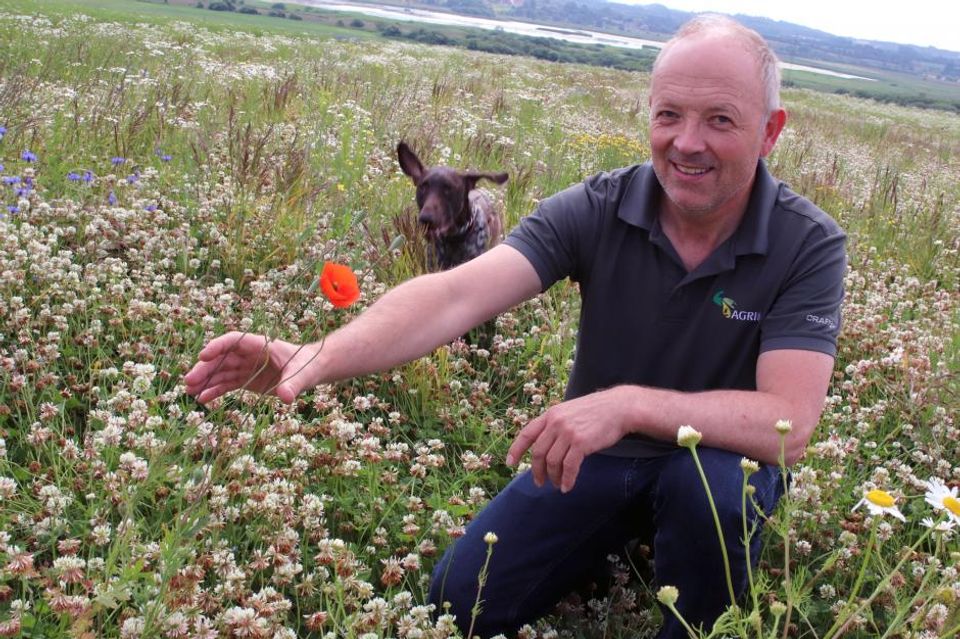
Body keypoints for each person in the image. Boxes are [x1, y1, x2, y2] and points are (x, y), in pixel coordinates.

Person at [185, 14, 845, 638]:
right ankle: (612, 540)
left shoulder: (807, 243)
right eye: (669, 114)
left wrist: (628, 404)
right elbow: (454, 296)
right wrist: (316, 355)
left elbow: (788, 423)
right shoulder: (600, 206)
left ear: (769, 131)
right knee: (458, 602)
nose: (687, 142)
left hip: (712, 468)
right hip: (596, 458)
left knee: (713, 491)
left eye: (720, 119)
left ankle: (695, 620)